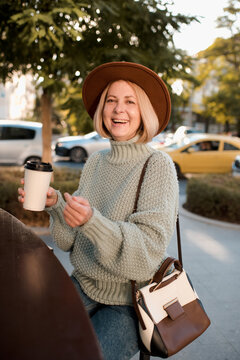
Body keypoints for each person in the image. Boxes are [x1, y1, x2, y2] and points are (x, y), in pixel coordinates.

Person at [18, 62, 179, 360]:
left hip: (130, 303)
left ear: (144, 111)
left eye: (130, 101)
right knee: (29, 341)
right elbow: (68, 241)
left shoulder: (158, 166)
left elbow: (145, 257)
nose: (119, 110)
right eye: (111, 101)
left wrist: (92, 221)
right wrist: (56, 207)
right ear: (101, 111)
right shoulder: (96, 162)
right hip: (84, 284)